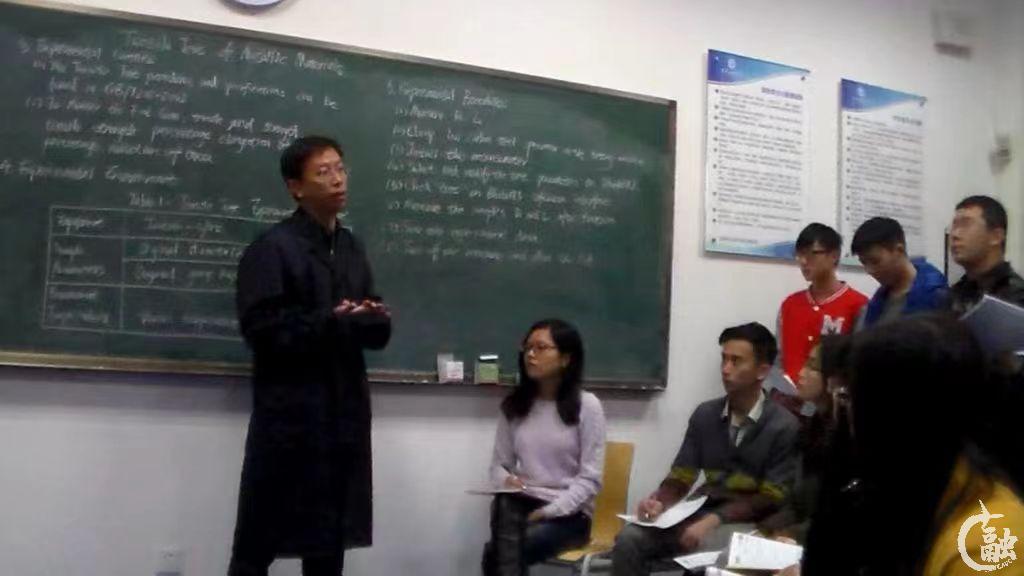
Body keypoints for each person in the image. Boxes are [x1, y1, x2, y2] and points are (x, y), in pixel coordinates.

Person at [228, 136, 392, 576]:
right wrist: (331, 321)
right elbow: (261, 329)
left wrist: (372, 319)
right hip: (291, 420)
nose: (337, 179)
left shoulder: (351, 246)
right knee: (258, 543)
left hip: (343, 419)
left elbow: (371, 324)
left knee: (328, 546)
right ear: (295, 187)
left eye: (340, 168)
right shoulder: (273, 248)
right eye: (323, 172)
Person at [801, 315, 1024, 576]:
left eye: (850, 399)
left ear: (898, 415)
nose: (845, 415)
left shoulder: (988, 540)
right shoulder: (906, 482)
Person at [611, 323, 800, 576]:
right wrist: (658, 502)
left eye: (736, 361)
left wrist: (714, 520)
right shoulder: (706, 414)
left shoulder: (784, 425)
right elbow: (681, 476)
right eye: (724, 359)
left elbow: (770, 497)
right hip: (701, 513)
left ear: (762, 371)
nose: (725, 369)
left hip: (750, 524)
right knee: (629, 539)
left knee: (708, 553)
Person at [482, 319, 606, 576]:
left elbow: (590, 479)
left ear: (566, 359)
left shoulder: (587, 406)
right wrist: (507, 480)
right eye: (527, 348)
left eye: (541, 348)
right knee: (504, 510)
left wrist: (550, 511)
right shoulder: (514, 406)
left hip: (569, 514)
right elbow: (499, 466)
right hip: (522, 505)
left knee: (500, 553)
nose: (530, 354)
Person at [778, 224, 867, 384]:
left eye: (811, 254)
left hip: (832, 397)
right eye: (799, 254)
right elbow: (779, 358)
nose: (803, 261)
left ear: (834, 255)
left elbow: (859, 362)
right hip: (788, 396)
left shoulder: (858, 305)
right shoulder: (790, 304)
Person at [850, 217, 948, 329]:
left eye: (875, 261)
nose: (869, 270)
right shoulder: (875, 303)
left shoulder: (937, 297)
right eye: (864, 263)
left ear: (899, 250)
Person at [949, 195, 1024, 315]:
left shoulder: (1017, 300)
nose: (954, 234)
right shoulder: (953, 295)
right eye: (954, 226)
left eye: (966, 224)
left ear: (996, 236)